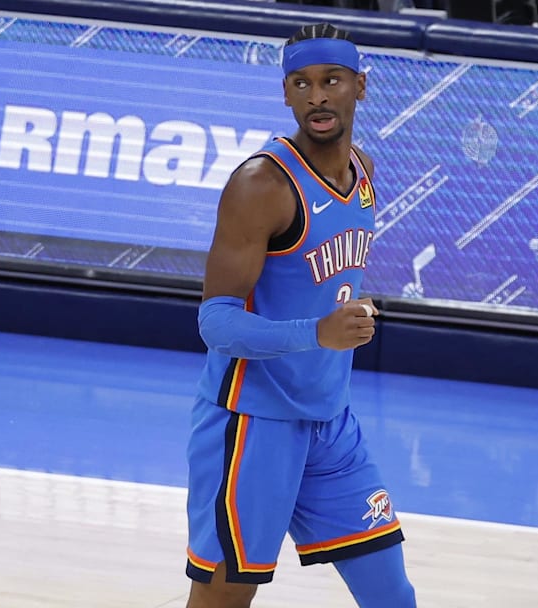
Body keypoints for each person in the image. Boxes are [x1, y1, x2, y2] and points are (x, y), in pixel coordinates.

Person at [184, 23, 417, 608]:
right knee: (222, 601)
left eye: (331, 81)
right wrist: (317, 332)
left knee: (393, 595)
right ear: (286, 94)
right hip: (251, 426)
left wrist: (350, 308)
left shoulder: (362, 172)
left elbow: (325, 277)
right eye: (302, 83)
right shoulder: (260, 184)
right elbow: (214, 322)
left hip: (330, 422)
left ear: (359, 88)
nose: (317, 96)